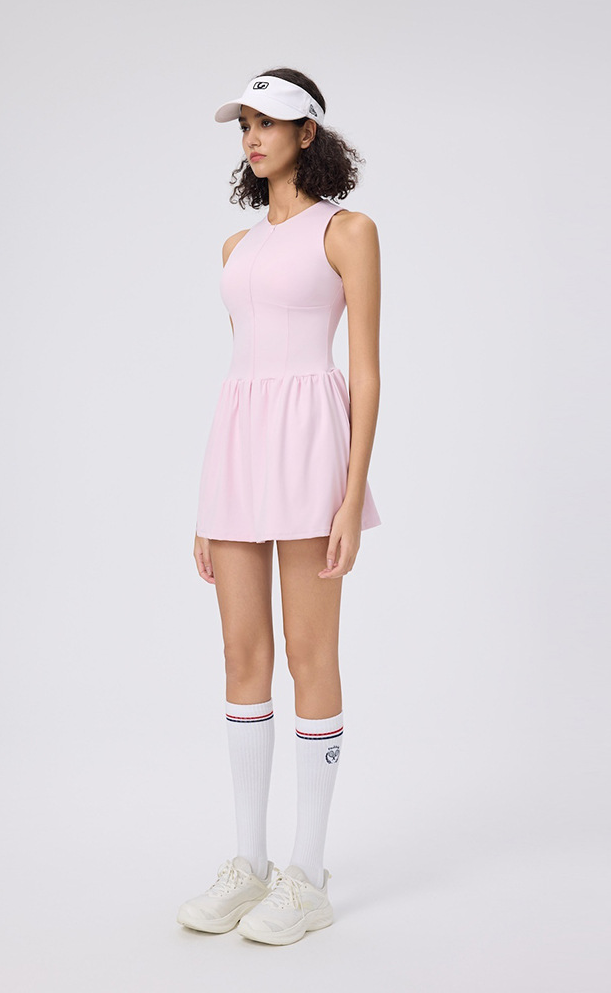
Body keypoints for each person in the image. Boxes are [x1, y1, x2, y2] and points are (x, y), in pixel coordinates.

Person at [176, 68, 383, 946]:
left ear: (309, 134)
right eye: (246, 124)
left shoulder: (348, 231)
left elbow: (364, 370)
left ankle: (307, 872)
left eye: (270, 123)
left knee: (309, 651)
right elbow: (244, 369)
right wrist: (206, 503)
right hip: (237, 449)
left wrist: (350, 495)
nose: (254, 137)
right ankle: (249, 862)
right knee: (240, 651)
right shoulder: (236, 246)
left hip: (310, 448)